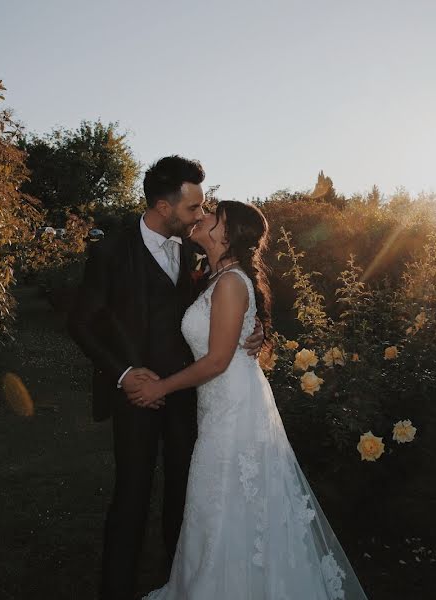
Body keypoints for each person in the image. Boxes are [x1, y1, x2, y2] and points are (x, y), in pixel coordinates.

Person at [135, 201, 369, 599]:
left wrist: (160, 387)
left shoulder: (229, 283)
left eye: (211, 215)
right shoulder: (212, 277)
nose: (201, 216)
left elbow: (217, 360)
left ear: (227, 234)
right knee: (219, 501)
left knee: (223, 497)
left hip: (233, 406)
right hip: (221, 402)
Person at [67, 156, 264, 600]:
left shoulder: (195, 245)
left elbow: (236, 286)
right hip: (135, 395)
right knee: (132, 496)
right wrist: (122, 375)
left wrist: (257, 323)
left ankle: (186, 582)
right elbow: (81, 322)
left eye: (202, 209)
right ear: (162, 205)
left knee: (186, 494)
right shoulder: (111, 251)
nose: (200, 215)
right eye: (193, 208)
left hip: (190, 394)